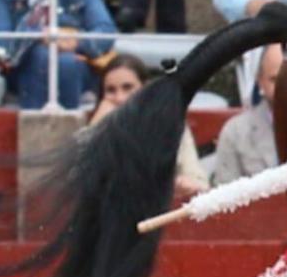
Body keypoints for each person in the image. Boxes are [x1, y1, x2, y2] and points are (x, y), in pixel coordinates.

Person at [87, 54, 208, 203]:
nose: (120, 98)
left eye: (128, 87)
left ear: (145, 88)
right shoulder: (96, 127)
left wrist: (187, 184)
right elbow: (72, 182)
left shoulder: (171, 124)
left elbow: (199, 181)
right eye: (111, 90)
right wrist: (96, 127)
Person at [212, 44, 285, 185]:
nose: (284, 87)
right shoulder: (235, 132)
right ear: (260, 81)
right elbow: (224, 199)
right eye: (275, 80)